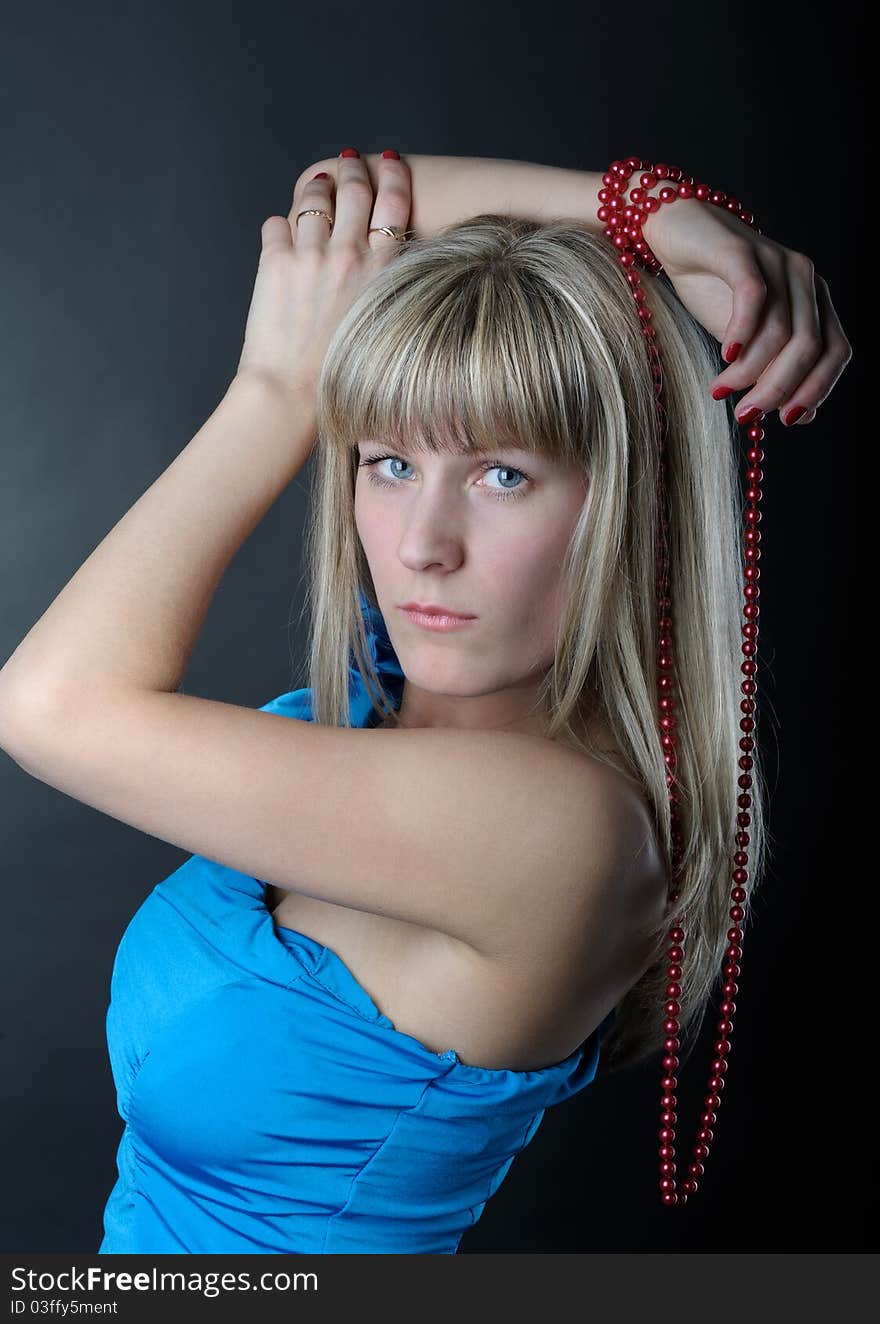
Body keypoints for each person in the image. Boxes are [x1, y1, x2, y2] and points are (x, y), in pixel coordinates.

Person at [0, 150, 852, 1253]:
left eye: (503, 474)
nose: (421, 546)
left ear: (631, 508)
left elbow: (46, 705)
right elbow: (346, 194)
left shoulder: (564, 831)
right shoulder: (354, 706)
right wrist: (663, 216)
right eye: (387, 461)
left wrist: (275, 394)